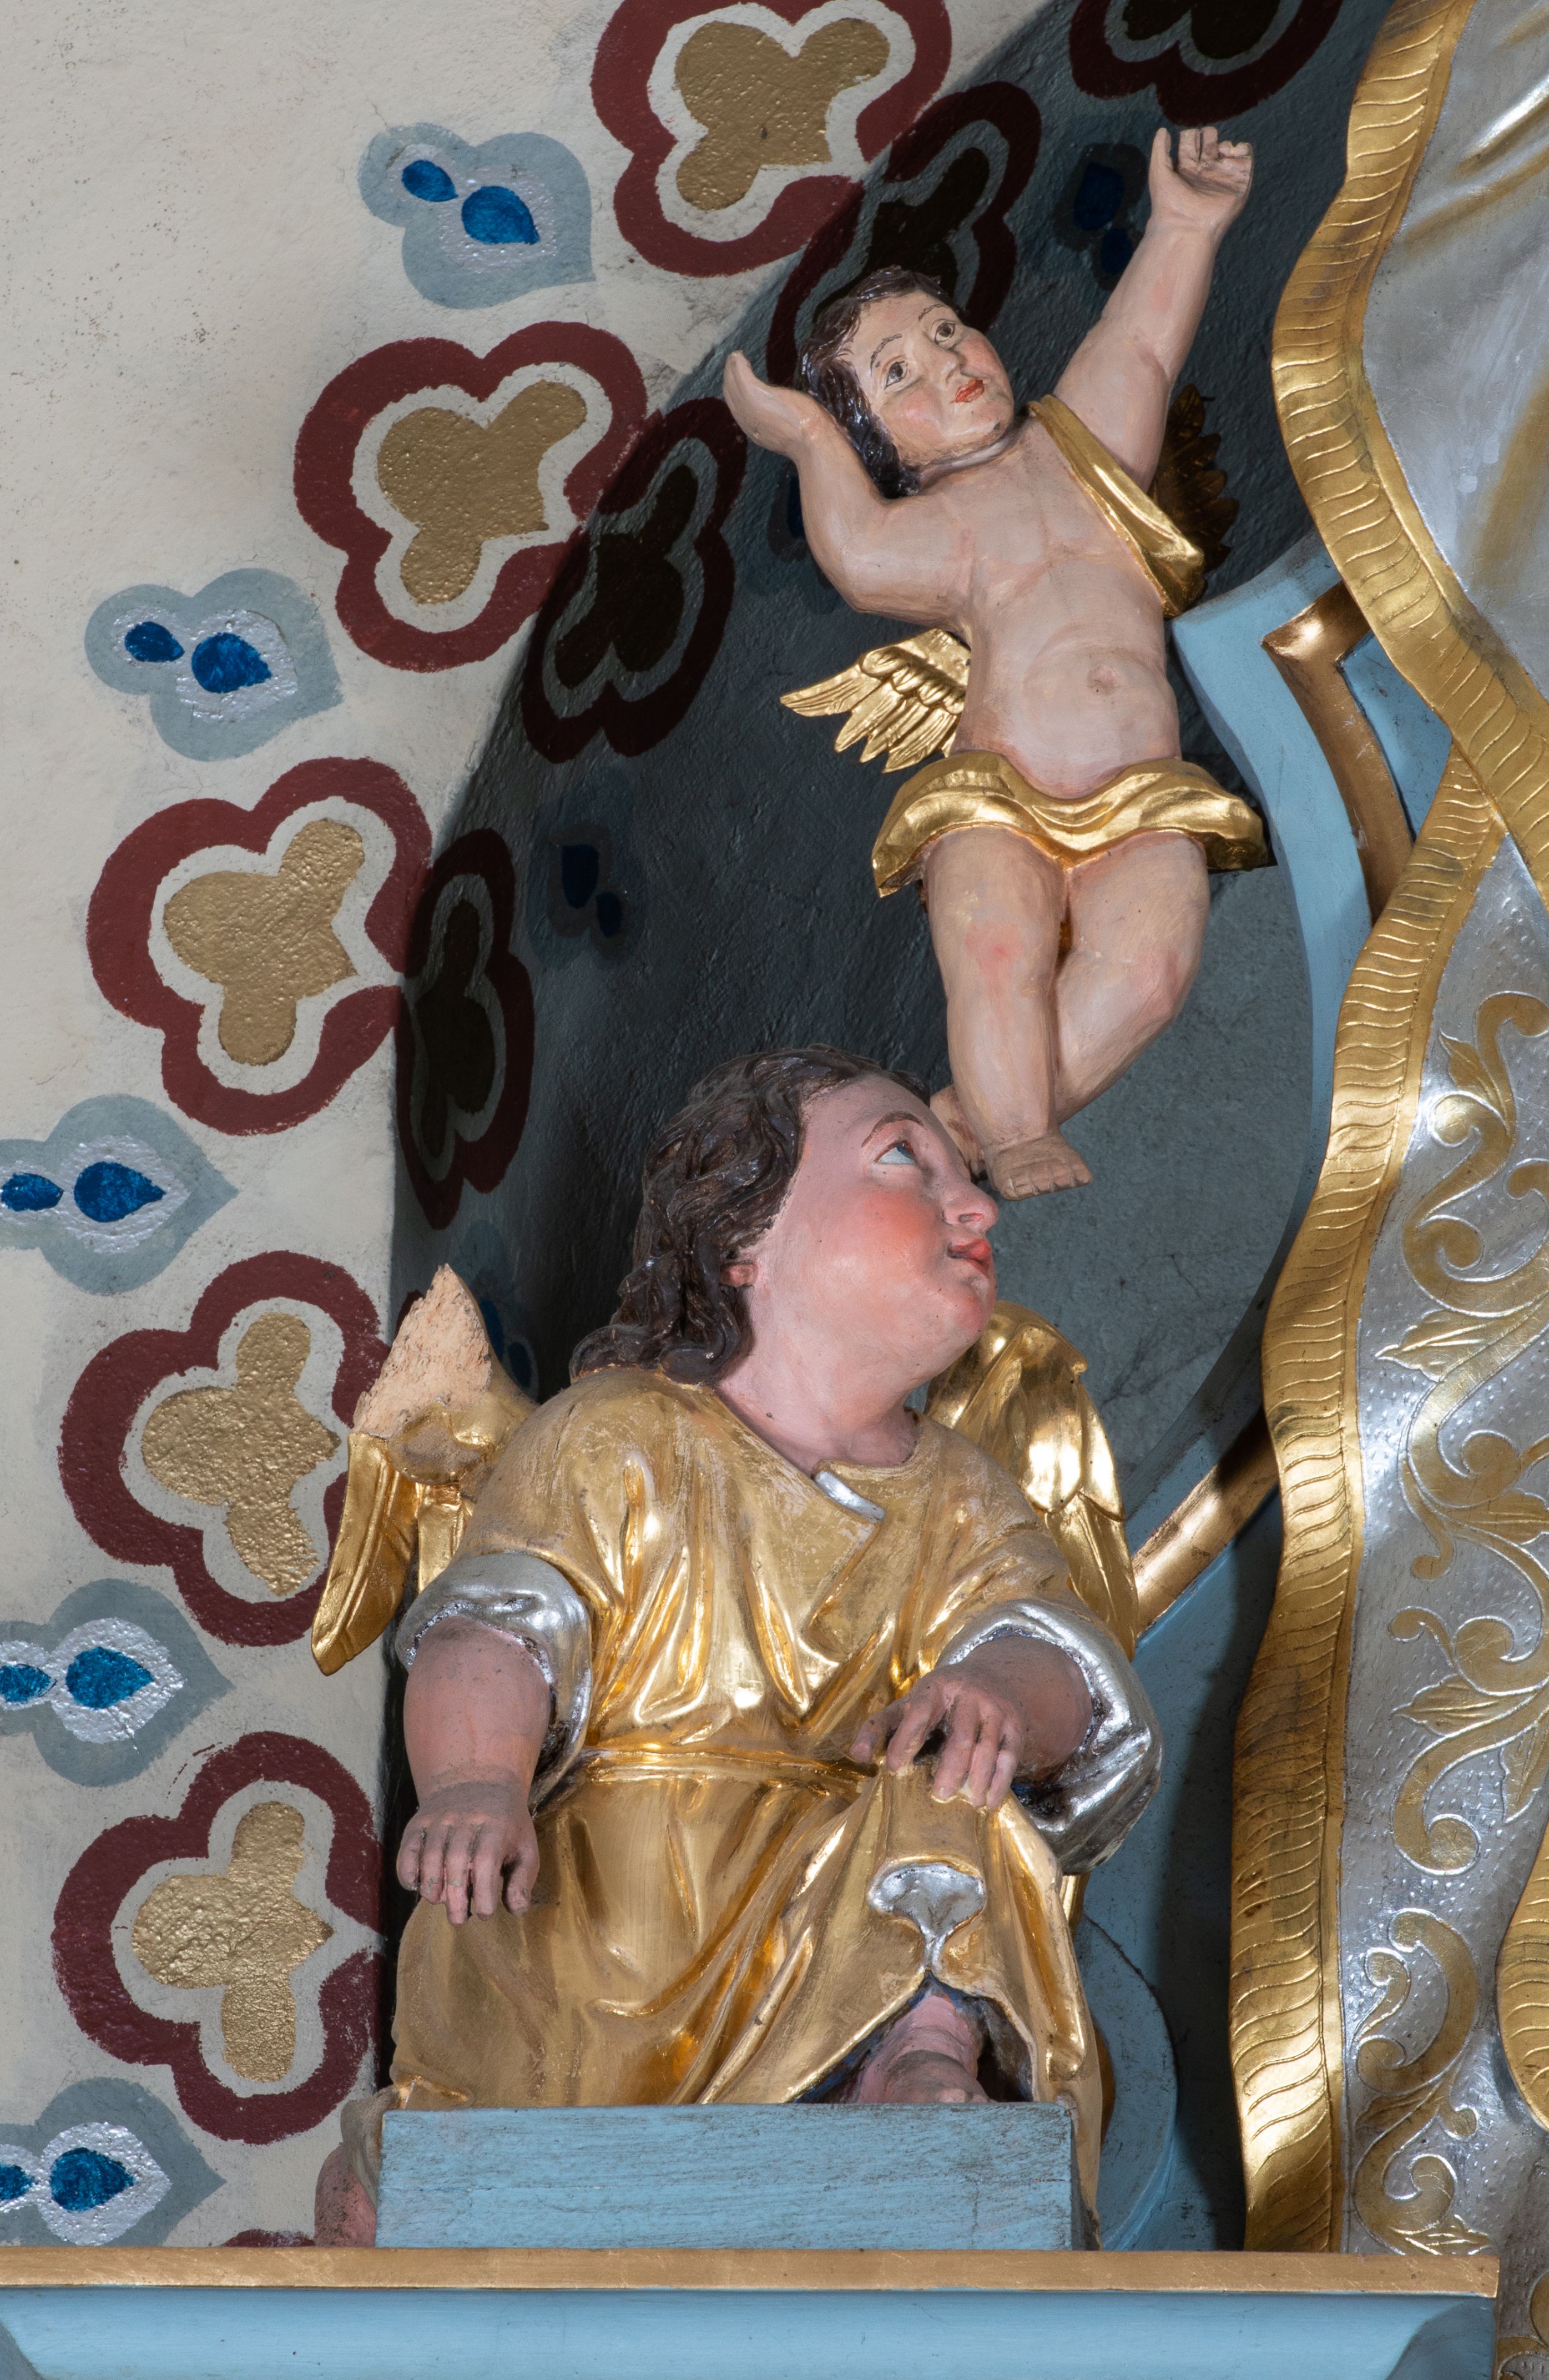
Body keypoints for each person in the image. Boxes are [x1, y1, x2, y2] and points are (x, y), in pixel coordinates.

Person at [316, 1047, 1158, 2245]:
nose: (973, 1207)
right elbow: (500, 1624)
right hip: (616, 1915)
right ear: (741, 1239)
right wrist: (473, 1780)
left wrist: (997, 1693)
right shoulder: (617, 1435)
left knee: (954, 1772)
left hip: (855, 1896)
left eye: (968, 1179)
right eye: (904, 1161)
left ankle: (916, 2053)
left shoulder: (963, 1494)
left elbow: (1056, 1653)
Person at [724, 129, 1265, 1200]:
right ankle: (1016, 1134)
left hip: (1143, 788)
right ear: (881, 444)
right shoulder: (942, 530)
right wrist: (809, 442)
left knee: (1152, 973)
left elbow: (1139, 344)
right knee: (999, 954)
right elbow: (860, 557)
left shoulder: (1084, 450)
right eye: (899, 376)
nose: (948, 364)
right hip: (1001, 793)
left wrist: (1187, 223)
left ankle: (973, 1119)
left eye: (947, 332)